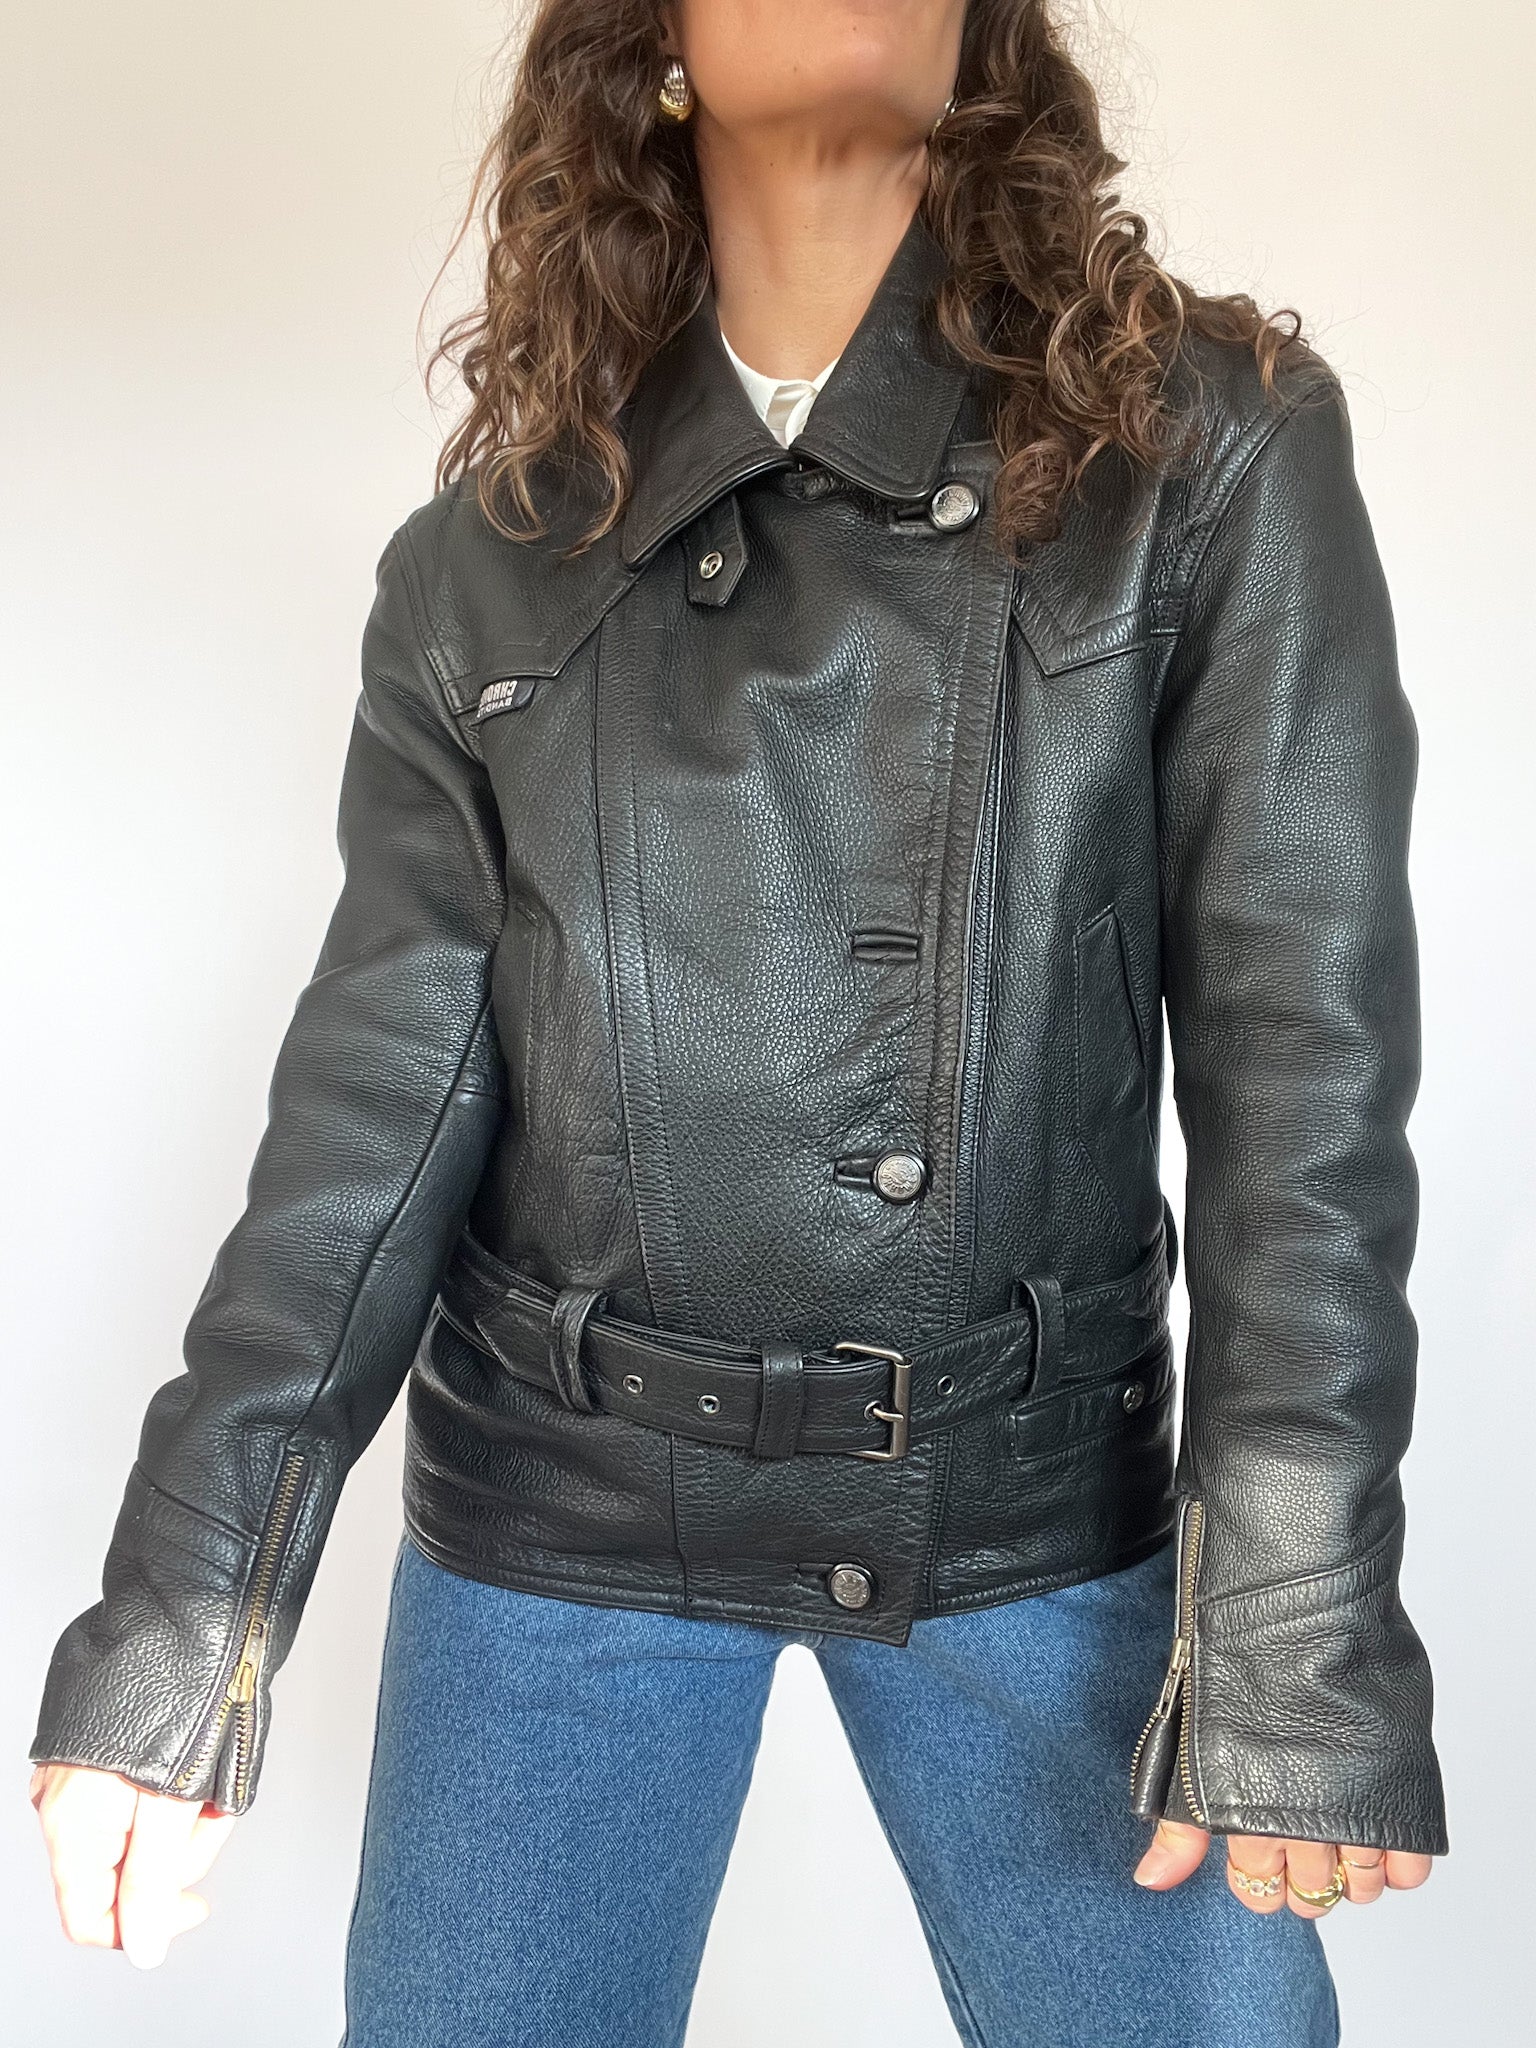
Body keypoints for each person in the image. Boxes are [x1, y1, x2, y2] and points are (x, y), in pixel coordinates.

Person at [28, 3, 1448, 2043]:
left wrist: (1293, 1625)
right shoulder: (487, 566)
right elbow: (368, 1132)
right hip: (565, 1513)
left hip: (1023, 1508)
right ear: (654, 39)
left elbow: (1303, 1080)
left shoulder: (1201, 451)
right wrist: (182, 1627)